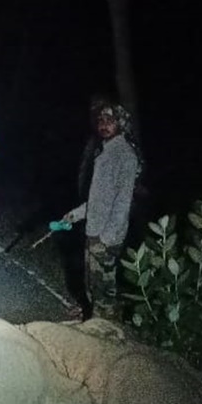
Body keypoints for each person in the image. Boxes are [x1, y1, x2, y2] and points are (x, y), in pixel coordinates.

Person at [60, 102, 140, 319]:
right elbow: (97, 199)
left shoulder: (125, 155)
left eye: (110, 121)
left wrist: (107, 237)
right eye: (101, 121)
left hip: (106, 234)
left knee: (104, 289)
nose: (104, 125)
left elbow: (123, 202)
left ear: (121, 124)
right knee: (91, 283)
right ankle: (90, 315)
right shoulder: (104, 153)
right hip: (94, 228)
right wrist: (75, 214)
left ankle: (105, 330)